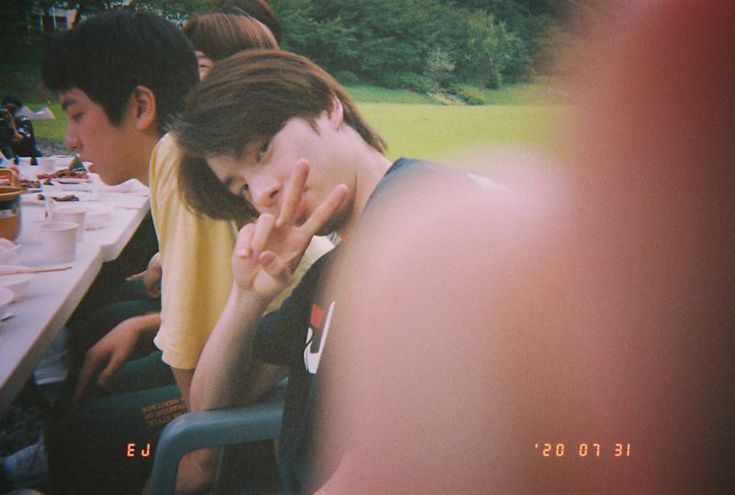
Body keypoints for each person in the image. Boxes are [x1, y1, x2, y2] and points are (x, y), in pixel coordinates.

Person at [170, 49, 498, 492]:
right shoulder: (330, 271)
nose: (262, 193)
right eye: (242, 186)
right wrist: (248, 297)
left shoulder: (421, 221)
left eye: (262, 150)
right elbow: (208, 409)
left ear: (329, 108)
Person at [1, 96, 42, 162]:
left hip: (28, 159)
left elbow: (17, 138)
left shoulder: (23, 120)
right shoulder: (2, 122)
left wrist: (10, 121)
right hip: (10, 159)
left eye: (11, 109)